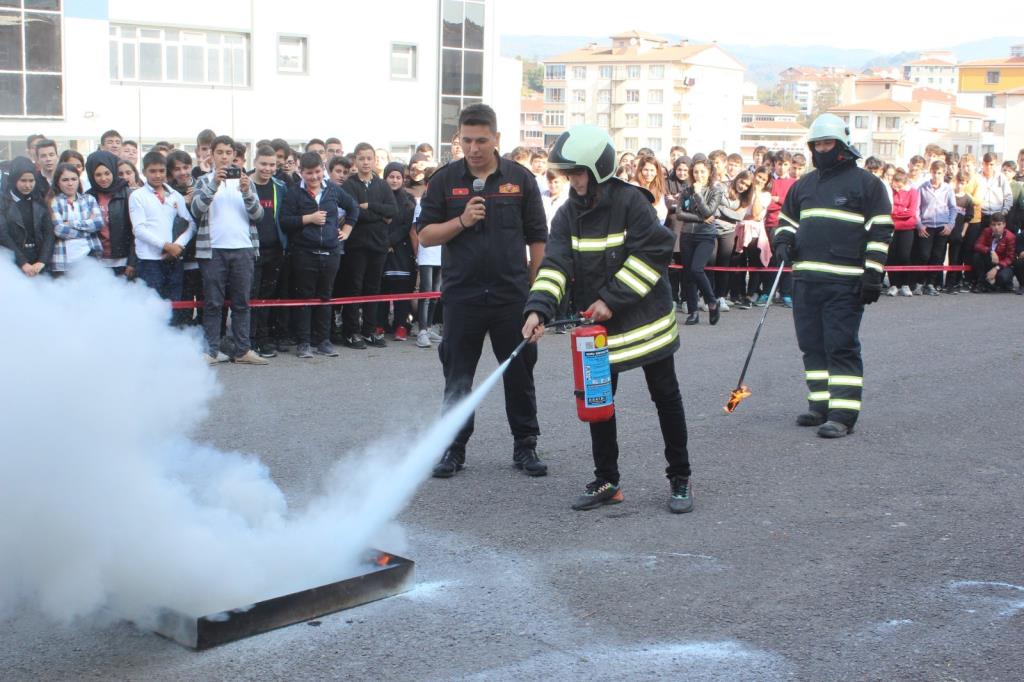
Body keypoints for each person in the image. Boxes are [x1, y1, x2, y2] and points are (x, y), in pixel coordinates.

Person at [521, 125, 693, 514]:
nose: (574, 181)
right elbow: (555, 265)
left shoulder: (632, 202)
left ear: (599, 168)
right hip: (599, 331)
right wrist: (538, 309)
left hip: (648, 326)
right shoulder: (567, 214)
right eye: (569, 174)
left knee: (666, 398)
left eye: (579, 173)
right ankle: (607, 481)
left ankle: (680, 478)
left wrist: (611, 300)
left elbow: (654, 252)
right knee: (598, 402)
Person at [417, 103, 548, 479]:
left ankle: (525, 445)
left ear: (496, 139)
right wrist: (461, 220)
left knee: (519, 374)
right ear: (458, 139)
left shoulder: (520, 179)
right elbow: (425, 235)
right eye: (467, 140)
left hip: (511, 296)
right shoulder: (444, 180)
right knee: (457, 376)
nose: (473, 148)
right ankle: (453, 449)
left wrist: (537, 297)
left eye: (481, 140)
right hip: (463, 296)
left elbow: (538, 239)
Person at [772, 113, 893, 439]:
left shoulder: (867, 184)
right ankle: (820, 405)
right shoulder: (803, 185)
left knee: (840, 346)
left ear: (843, 145)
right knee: (812, 346)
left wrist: (873, 274)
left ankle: (843, 414)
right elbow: (787, 221)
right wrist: (782, 241)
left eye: (828, 143)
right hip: (805, 281)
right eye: (817, 144)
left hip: (845, 282)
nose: (822, 149)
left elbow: (880, 231)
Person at [190, 135, 267, 365]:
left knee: (242, 303)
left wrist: (246, 192)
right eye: (220, 152)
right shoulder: (203, 181)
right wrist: (214, 184)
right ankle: (211, 351)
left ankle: (243, 350)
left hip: (243, 248)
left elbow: (259, 215)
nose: (224, 157)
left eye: (228, 152)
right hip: (213, 250)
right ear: (211, 154)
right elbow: (196, 210)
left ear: (234, 155)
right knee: (213, 303)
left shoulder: (246, 181)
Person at [280, 151, 355, 358]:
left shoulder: (333, 189)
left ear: (323, 170)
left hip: (331, 252)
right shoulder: (294, 193)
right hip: (304, 252)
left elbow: (353, 208)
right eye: (309, 173)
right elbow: (285, 221)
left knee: (325, 297)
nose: (314, 177)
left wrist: (346, 231)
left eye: (317, 172)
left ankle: (324, 341)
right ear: (301, 172)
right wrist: (309, 218)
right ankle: (304, 342)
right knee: (304, 298)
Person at [340, 143, 398, 348]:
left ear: (374, 160)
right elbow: (354, 213)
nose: (365, 162)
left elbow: (393, 210)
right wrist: (379, 216)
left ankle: (369, 330)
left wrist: (371, 206)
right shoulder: (349, 185)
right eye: (361, 158)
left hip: (378, 245)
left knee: (374, 288)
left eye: (369, 158)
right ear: (355, 160)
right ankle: (351, 331)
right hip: (356, 245)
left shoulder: (382, 185)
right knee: (354, 287)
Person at [128, 151, 196, 303]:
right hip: (148, 260)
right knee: (152, 306)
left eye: (161, 171)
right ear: (144, 172)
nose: (157, 175)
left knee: (174, 305)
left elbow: (191, 224)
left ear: (166, 171)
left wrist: (177, 246)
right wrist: (166, 246)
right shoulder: (137, 196)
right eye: (152, 171)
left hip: (173, 259)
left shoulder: (175, 195)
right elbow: (138, 229)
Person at [249, 146, 289, 357]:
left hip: (275, 250)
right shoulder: (244, 184)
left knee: (267, 297)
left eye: (272, 164)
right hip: (251, 250)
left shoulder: (280, 186)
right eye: (263, 164)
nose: (267, 168)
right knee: (251, 296)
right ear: (255, 162)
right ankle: (250, 340)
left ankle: (264, 339)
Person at [676, 157, 724, 325]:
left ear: (709, 172)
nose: (698, 175)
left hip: (705, 236)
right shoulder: (685, 189)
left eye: (702, 171)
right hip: (687, 235)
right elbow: (679, 214)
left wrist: (697, 194)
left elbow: (708, 211)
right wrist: (701, 219)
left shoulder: (716, 191)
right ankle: (693, 312)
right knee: (688, 274)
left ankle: (712, 302)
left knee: (697, 269)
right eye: (696, 172)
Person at [379, 161, 418, 341]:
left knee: (402, 289)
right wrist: (384, 242)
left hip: (402, 250)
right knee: (382, 289)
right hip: (381, 248)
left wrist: (391, 241)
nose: (394, 180)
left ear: (403, 179)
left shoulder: (409, 200)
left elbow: (407, 226)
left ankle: (401, 325)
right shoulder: (378, 196)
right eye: (391, 177)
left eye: (398, 177)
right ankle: (380, 323)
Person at [0, 157, 53, 278]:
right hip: (12, 262)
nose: (28, 185)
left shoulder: (39, 200)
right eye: (23, 180)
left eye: (31, 180)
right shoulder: (3, 202)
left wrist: (42, 261)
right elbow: (3, 234)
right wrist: (22, 262)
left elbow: (49, 232)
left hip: (39, 262)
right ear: (14, 179)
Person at [85, 151, 135, 277]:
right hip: (96, 261)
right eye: (98, 175)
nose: (103, 178)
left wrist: (132, 262)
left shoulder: (128, 194)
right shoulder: (87, 197)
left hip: (123, 260)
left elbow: (135, 231)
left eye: (107, 173)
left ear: (114, 171)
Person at [49, 163, 103, 274]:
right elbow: (59, 230)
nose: (70, 183)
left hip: (89, 255)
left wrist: (71, 223)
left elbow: (98, 223)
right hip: (64, 260)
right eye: (65, 180)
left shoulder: (89, 199)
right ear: (58, 182)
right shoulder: (54, 201)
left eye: (74, 179)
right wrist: (87, 228)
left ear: (79, 180)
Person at [914, 160, 956, 296]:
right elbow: (916, 209)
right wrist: (919, 225)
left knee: (937, 256)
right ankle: (920, 282)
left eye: (939, 173)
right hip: (927, 226)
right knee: (924, 255)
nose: (936, 175)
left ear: (944, 173)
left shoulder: (948, 189)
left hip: (942, 227)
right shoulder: (922, 188)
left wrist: (950, 225)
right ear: (930, 172)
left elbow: (953, 208)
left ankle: (931, 283)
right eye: (934, 172)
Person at [765, 151, 796, 307]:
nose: (782, 167)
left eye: (785, 164)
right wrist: (779, 203)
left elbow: (793, 204)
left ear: (789, 165)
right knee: (770, 260)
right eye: (779, 164)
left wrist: (778, 199)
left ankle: (786, 293)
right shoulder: (768, 181)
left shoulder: (794, 183)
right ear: (774, 165)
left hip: (787, 225)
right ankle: (768, 292)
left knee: (786, 258)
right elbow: (766, 204)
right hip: (769, 224)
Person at [886, 169, 920, 297]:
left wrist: (895, 213)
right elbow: (889, 209)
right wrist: (900, 211)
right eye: (895, 186)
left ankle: (905, 284)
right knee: (891, 256)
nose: (897, 189)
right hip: (891, 228)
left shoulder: (913, 192)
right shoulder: (891, 191)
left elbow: (911, 212)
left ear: (904, 183)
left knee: (904, 256)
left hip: (907, 228)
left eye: (899, 186)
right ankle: (893, 285)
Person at [971, 213, 1016, 292]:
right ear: (990, 225)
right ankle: (981, 284)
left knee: (1002, 277)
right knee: (977, 256)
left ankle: (1003, 284)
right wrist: (990, 251)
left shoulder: (1010, 237)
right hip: (990, 260)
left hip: (1003, 265)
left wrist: (996, 268)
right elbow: (977, 245)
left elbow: (1010, 258)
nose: (996, 227)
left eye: (999, 224)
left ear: (1004, 224)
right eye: (993, 225)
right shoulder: (986, 231)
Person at [631, 154, 667, 224]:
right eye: (646, 170)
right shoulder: (635, 186)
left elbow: (662, 212)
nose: (649, 173)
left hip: (656, 226)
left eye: (652, 170)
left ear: (657, 172)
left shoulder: (658, 188)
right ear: (640, 170)